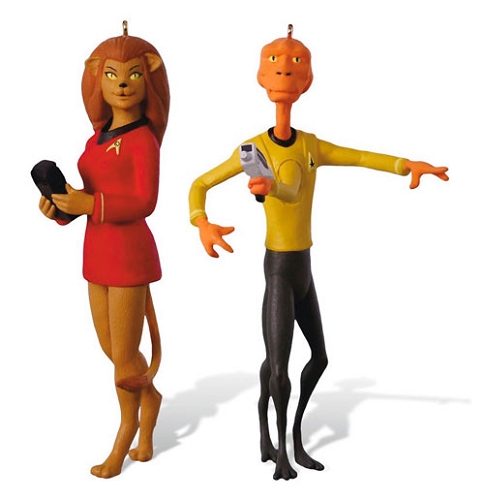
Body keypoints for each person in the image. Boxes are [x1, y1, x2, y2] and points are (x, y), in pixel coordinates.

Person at [189, 25, 448, 480]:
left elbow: (359, 157)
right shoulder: (253, 148)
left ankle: (288, 437)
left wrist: (406, 165)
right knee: (279, 369)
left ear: (306, 79)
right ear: (262, 76)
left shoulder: (309, 146)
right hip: (278, 269)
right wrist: (201, 221)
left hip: (303, 267)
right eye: (276, 64)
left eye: (295, 65)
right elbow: (200, 183)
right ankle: (278, 450)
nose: (285, 71)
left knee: (317, 358)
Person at [38, 22, 170, 478]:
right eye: (112, 74)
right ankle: (150, 400)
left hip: (129, 257)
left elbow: (145, 200)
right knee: (115, 351)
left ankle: (126, 433)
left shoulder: (143, 139)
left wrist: (90, 204)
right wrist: (62, 208)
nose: (122, 84)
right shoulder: (95, 140)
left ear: (148, 79)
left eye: (133, 74)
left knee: (124, 358)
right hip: (96, 254)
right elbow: (90, 195)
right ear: (96, 78)